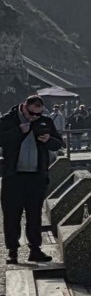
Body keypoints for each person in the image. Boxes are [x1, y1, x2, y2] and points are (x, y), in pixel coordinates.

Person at [2, 95, 64, 265]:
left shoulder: (45, 121)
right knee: (12, 215)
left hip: (37, 177)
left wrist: (49, 140)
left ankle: (35, 250)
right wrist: (18, 131)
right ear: (24, 107)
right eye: (32, 113)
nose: (35, 117)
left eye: (38, 114)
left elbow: (59, 143)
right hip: (13, 177)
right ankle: (12, 251)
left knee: (34, 215)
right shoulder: (8, 120)